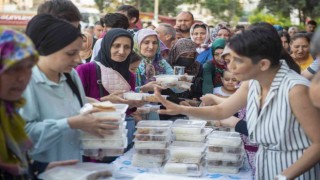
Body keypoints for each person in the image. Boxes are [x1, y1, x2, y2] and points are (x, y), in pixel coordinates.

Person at [155, 25, 320, 179]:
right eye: (229, 59)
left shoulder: (296, 89)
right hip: (266, 166)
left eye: (238, 60)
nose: (231, 67)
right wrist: (179, 108)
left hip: (297, 171)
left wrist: (283, 177)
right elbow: (221, 110)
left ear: (263, 64)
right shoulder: (253, 81)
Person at [20, 14, 116, 163]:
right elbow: (22, 137)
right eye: (71, 53)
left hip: (74, 168)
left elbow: (78, 118)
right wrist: (70, 123)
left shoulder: (71, 76)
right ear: (48, 48)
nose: (78, 59)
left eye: (78, 52)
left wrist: (93, 141)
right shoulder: (25, 82)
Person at [76, 28, 144, 152]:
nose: (122, 51)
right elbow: (75, 102)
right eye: (116, 45)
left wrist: (133, 104)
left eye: (127, 47)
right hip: (93, 134)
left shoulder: (130, 76)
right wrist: (104, 100)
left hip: (120, 134)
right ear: (107, 46)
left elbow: (127, 111)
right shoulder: (85, 70)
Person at [133, 28, 173, 93]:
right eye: (146, 42)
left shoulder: (161, 62)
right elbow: (125, 91)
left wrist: (180, 80)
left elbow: (174, 84)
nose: (151, 47)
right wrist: (143, 88)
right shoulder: (130, 62)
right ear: (137, 44)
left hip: (156, 101)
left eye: (155, 43)